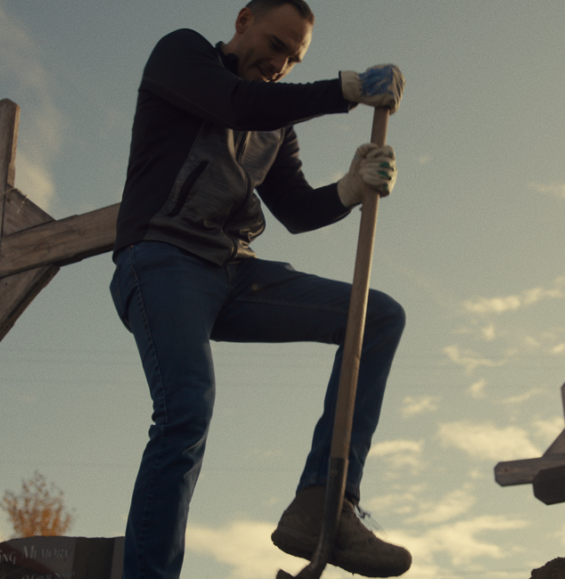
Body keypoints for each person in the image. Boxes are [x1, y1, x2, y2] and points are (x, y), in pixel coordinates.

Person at [109, 1, 409, 577]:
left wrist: (349, 188)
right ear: (244, 21)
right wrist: (345, 90)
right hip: (162, 259)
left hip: (233, 271)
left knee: (378, 317)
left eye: (293, 60)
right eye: (275, 46)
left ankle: (323, 502)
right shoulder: (184, 56)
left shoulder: (277, 121)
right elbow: (235, 104)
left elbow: (295, 209)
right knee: (185, 411)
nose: (279, 65)